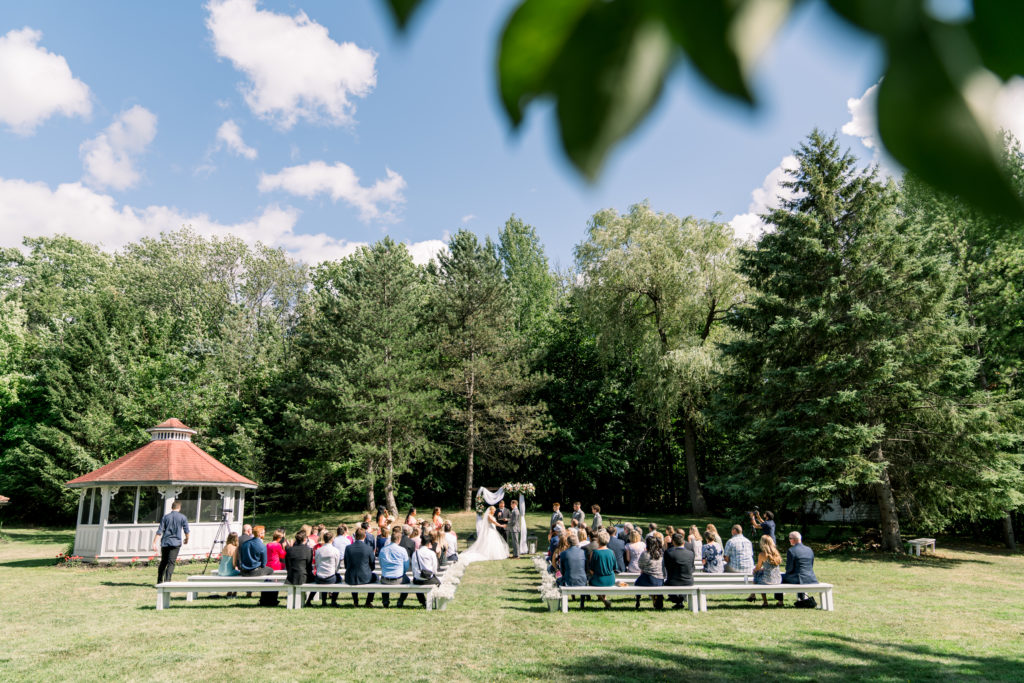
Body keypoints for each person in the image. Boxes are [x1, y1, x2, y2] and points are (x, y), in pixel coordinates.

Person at [152, 500, 190, 583]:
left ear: (171, 507)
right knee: (171, 563)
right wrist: (187, 539)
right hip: (176, 543)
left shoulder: (165, 517)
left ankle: (159, 581)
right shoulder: (183, 517)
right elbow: (186, 530)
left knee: (163, 562)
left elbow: (160, 531)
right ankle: (167, 581)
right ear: (179, 508)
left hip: (165, 542)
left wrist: (154, 542)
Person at [781, 531, 818, 605]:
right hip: (811, 577)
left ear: (794, 539)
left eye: (790, 538)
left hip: (799, 578)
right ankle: (801, 598)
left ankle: (780, 601)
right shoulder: (809, 549)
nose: (789, 540)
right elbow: (811, 564)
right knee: (798, 574)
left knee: (779, 577)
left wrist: (787, 573)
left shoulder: (791, 550)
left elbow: (789, 569)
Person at [378, 526, 411, 608]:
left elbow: (381, 564)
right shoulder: (402, 550)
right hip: (398, 578)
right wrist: (401, 572)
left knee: (383, 578)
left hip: (385, 578)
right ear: (399, 540)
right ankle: (400, 601)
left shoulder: (383, 550)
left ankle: (385, 601)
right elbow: (406, 566)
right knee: (408, 581)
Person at [344, 527, 377, 607]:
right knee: (375, 577)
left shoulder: (348, 548)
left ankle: (355, 601)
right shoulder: (369, 548)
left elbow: (346, 564)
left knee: (354, 575)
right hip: (365, 576)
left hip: (350, 576)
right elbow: (372, 565)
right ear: (365, 536)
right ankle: (368, 601)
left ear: (355, 536)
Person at [664, 532, 695, 609]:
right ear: (683, 542)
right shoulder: (690, 553)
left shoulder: (668, 552)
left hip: (673, 581)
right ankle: (680, 600)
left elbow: (666, 566)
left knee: (666, 581)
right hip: (688, 581)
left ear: (673, 542)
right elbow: (692, 567)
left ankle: (678, 600)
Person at [634, 535, 666, 610]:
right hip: (660, 579)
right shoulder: (661, 554)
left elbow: (640, 565)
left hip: (649, 578)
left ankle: (638, 600)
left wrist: (644, 569)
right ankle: (657, 598)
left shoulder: (645, 554)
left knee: (637, 582)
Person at [587, 530, 617, 608]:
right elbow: (614, 568)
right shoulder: (612, 552)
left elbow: (591, 569)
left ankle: (603, 599)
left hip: (598, 579)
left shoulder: (594, 553)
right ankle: (604, 599)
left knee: (592, 580)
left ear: (598, 540)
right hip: (610, 579)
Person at [311, 531, 341, 607]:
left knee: (324, 578)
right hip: (330, 577)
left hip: (319, 577)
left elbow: (317, 564)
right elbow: (337, 565)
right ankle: (333, 601)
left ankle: (324, 601)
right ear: (332, 539)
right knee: (339, 579)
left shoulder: (318, 550)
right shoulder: (336, 550)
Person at [412, 530, 442, 606]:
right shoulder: (431, 553)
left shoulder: (415, 553)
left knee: (415, 582)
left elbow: (413, 567)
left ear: (421, 543)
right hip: (429, 578)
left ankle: (422, 601)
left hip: (418, 578)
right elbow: (435, 568)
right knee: (439, 583)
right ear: (429, 544)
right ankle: (432, 600)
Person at [751, 535, 783, 606]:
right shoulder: (776, 553)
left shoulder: (762, 554)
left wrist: (754, 570)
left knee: (757, 574)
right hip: (778, 579)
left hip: (767, 580)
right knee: (760, 573)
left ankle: (764, 601)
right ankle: (781, 601)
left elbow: (758, 567)